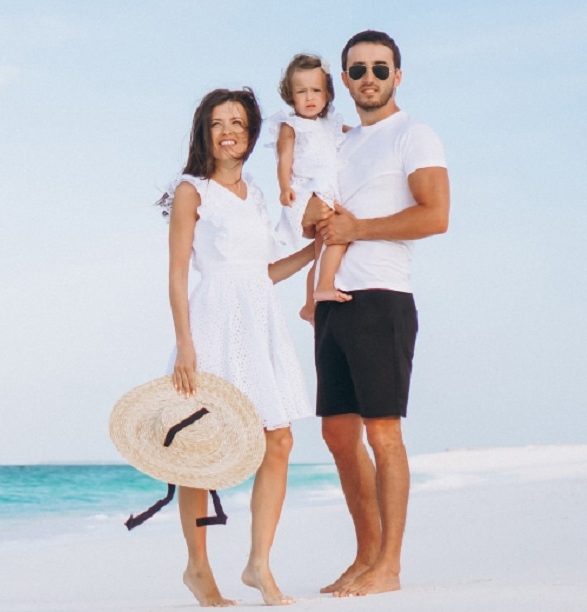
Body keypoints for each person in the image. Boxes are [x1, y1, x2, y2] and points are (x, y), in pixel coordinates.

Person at [301, 30, 450, 597]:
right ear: (344, 80)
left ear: (397, 77)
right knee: (338, 435)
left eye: (380, 69)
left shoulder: (415, 134)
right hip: (331, 302)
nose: (369, 78)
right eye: (358, 70)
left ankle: (389, 565)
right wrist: (315, 217)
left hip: (382, 297)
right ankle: (365, 555)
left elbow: (435, 216)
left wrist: (357, 228)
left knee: (383, 433)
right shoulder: (339, 144)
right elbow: (313, 219)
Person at [158, 88, 315, 606]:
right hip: (211, 321)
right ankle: (199, 570)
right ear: (205, 131)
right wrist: (185, 345)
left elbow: (265, 272)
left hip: (259, 320)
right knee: (198, 450)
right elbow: (178, 274)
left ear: (250, 135)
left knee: (280, 439)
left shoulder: (258, 195)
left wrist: (316, 250)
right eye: (219, 123)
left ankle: (258, 565)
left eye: (240, 124)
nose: (229, 132)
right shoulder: (191, 190)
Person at [267, 53, 352, 324]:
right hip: (308, 191)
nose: (309, 97)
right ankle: (322, 287)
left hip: (329, 188)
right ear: (290, 96)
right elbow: (284, 159)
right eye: (301, 92)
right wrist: (283, 188)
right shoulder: (291, 126)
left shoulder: (332, 124)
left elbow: (357, 135)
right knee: (335, 237)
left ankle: (309, 306)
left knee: (322, 249)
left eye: (316, 90)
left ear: (327, 93)